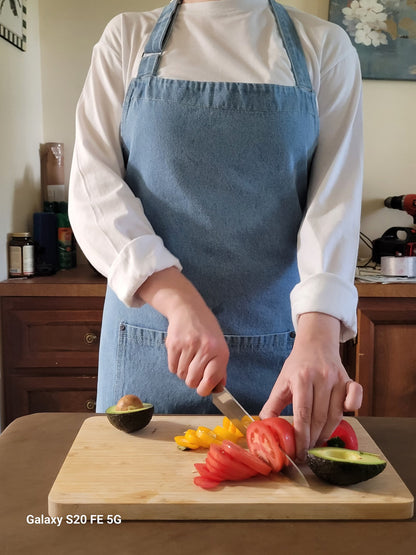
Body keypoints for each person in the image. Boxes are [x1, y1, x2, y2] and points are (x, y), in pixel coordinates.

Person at [69, 0, 363, 461]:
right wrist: (177, 299)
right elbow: (93, 187)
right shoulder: (126, 39)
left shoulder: (325, 47)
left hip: (284, 358)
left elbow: (335, 203)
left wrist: (321, 336)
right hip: (151, 342)